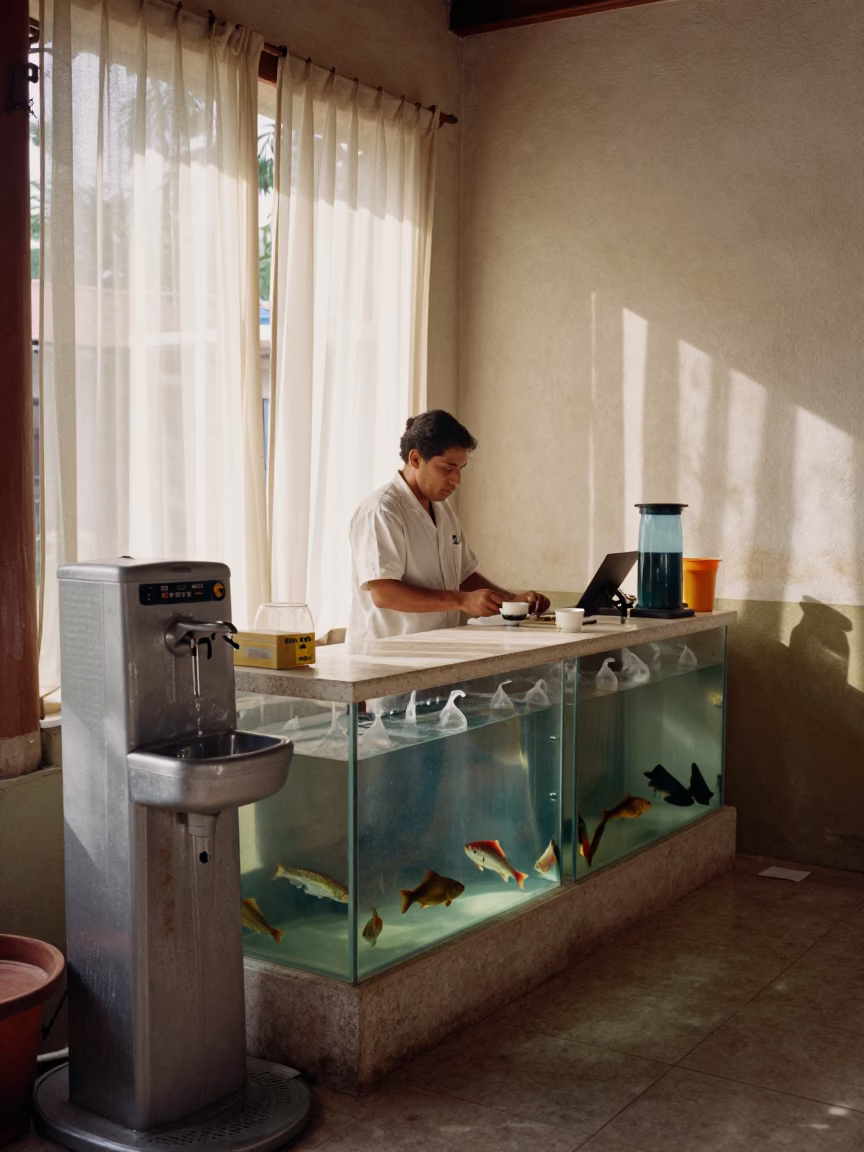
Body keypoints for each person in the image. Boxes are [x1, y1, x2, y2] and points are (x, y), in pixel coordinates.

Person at [347, 410, 550, 641]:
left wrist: (511, 601)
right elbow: (384, 593)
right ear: (415, 459)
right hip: (385, 655)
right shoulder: (381, 511)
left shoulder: (442, 510)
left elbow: (463, 575)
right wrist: (461, 600)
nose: (456, 480)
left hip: (435, 649)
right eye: (447, 468)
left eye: (460, 469)